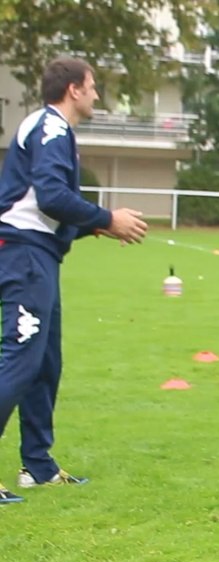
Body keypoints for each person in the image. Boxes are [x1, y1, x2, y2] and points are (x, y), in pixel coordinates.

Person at [0, 56, 148, 504]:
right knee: (21, 358)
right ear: (73, 89)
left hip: (39, 253)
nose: (97, 94)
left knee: (45, 363)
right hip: (23, 254)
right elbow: (50, 196)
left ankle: (38, 466)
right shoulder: (51, 127)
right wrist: (106, 217)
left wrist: (95, 227)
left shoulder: (56, 130)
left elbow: (49, 207)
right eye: (93, 86)